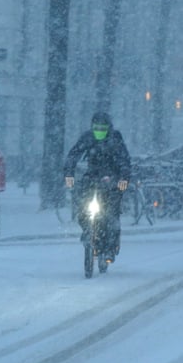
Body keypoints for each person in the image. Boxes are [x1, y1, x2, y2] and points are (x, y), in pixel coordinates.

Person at [63, 111, 132, 268]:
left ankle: (110, 248)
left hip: (111, 180)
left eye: (102, 127)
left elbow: (124, 160)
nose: (99, 130)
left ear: (109, 127)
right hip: (92, 178)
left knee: (111, 215)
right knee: (82, 208)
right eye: (96, 127)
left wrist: (123, 179)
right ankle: (88, 231)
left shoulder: (115, 139)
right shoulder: (88, 138)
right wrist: (69, 174)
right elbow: (73, 155)